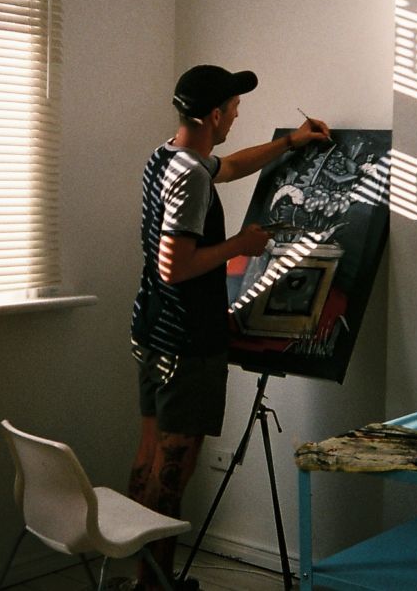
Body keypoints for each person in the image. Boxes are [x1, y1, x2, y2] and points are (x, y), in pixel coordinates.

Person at [128, 64, 330, 590]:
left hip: (153, 329)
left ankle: (141, 578)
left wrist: (290, 142)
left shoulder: (167, 156)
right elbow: (175, 266)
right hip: (186, 341)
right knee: (172, 472)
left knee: (149, 458)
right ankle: (155, 586)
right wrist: (241, 245)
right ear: (215, 115)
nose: (238, 116)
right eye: (235, 108)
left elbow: (233, 165)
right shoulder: (192, 177)